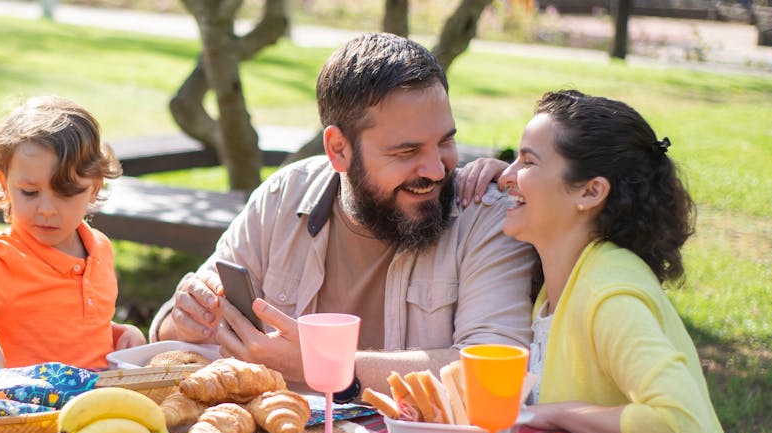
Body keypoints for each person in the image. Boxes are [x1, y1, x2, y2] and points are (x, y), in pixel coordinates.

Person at [499, 89, 772, 433]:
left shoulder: (610, 290)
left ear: (590, 192)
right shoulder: (561, 285)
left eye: (527, 162)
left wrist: (558, 412)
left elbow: (682, 426)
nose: (507, 176)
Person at [150, 33, 536, 395]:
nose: (436, 170)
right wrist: (183, 320)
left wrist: (326, 366)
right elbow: (176, 332)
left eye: (446, 141)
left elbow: (495, 372)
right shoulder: (282, 197)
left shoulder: (484, 216)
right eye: (406, 152)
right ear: (338, 149)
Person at [0, 96, 146, 389]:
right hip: (20, 412)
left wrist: (115, 334)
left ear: (94, 188)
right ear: (4, 182)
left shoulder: (100, 249)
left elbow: (62, 324)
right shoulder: (0, 255)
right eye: (29, 192)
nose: (46, 208)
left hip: (93, 407)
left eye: (65, 192)